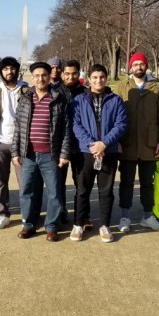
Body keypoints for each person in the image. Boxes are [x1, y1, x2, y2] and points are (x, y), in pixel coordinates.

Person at [12, 61, 71, 242]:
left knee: (54, 193)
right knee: (27, 192)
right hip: (28, 154)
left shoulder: (59, 98)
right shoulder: (25, 99)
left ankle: (51, 226)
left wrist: (64, 154)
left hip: (50, 155)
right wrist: (15, 151)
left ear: (49, 76)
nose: (40, 79)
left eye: (44, 75)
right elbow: (18, 128)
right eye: (36, 75)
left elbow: (66, 129)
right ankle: (29, 224)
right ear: (32, 77)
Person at [70, 64, 127, 242]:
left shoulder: (115, 100)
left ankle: (104, 225)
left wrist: (104, 143)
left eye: (101, 77)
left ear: (106, 78)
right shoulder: (78, 100)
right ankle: (78, 224)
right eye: (94, 77)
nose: (98, 80)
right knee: (82, 190)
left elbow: (121, 124)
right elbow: (75, 125)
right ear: (88, 79)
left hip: (108, 151)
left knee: (106, 190)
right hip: (85, 152)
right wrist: (92, 145)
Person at [113, 52, 159, 233]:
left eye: (142, 64)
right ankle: (125, 216)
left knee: (148, 183)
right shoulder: (121, 87)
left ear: (147, 66)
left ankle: (148, 216)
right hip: (127, 143)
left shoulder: (157, 87)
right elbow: (114, 117)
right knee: (126, 182)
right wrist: (117, 141)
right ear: (130, 67)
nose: (139, 67)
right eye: (135, 64)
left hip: (150, 144)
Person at [0, 57, 28, 230]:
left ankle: (27, 213)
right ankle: (3, 213)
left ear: (17, 70)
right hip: (0, 142)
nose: (9, 72)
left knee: (24, 182)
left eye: (12, 68)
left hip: (20, 143)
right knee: (1, 181)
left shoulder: (26, 90)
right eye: (5, 69)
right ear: (1, 71)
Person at [59, 59, 86, 225]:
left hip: (80, 145)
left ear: (79, 73)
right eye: (67, 73)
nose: (70, 77)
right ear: (62, 74)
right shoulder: (55, 91)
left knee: (82, 184)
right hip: (60, 145)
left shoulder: (86, 93)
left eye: (74, 73)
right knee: (58, 183)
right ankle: (61, 212)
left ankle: (82, 215)